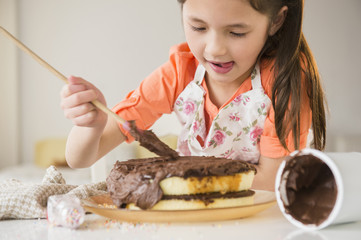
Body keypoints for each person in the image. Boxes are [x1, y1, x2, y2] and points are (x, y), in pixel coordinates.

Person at [60, 0, 326, 191]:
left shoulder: (284, 81)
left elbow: (271, 180)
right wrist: (91, 126)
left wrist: (180, 174)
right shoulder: (180, 72)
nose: (215, 49)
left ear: (276, 21)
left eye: (236, 32)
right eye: (198, 27)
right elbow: (80, 159)